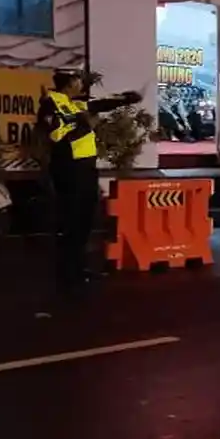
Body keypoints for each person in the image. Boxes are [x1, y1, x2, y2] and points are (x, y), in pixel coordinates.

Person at [36, 69, 142, 291]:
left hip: (85, 168)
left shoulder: (73, 103)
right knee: (71, 220)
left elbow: (99, 104)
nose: (81, 83)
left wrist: (125, 99)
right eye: (76, 80)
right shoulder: (51, 103)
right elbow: (55, 133)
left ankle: (78, 267)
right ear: (68, 83)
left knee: (84, 219)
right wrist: (84, 124)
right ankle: (67, 273)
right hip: (69, 168)